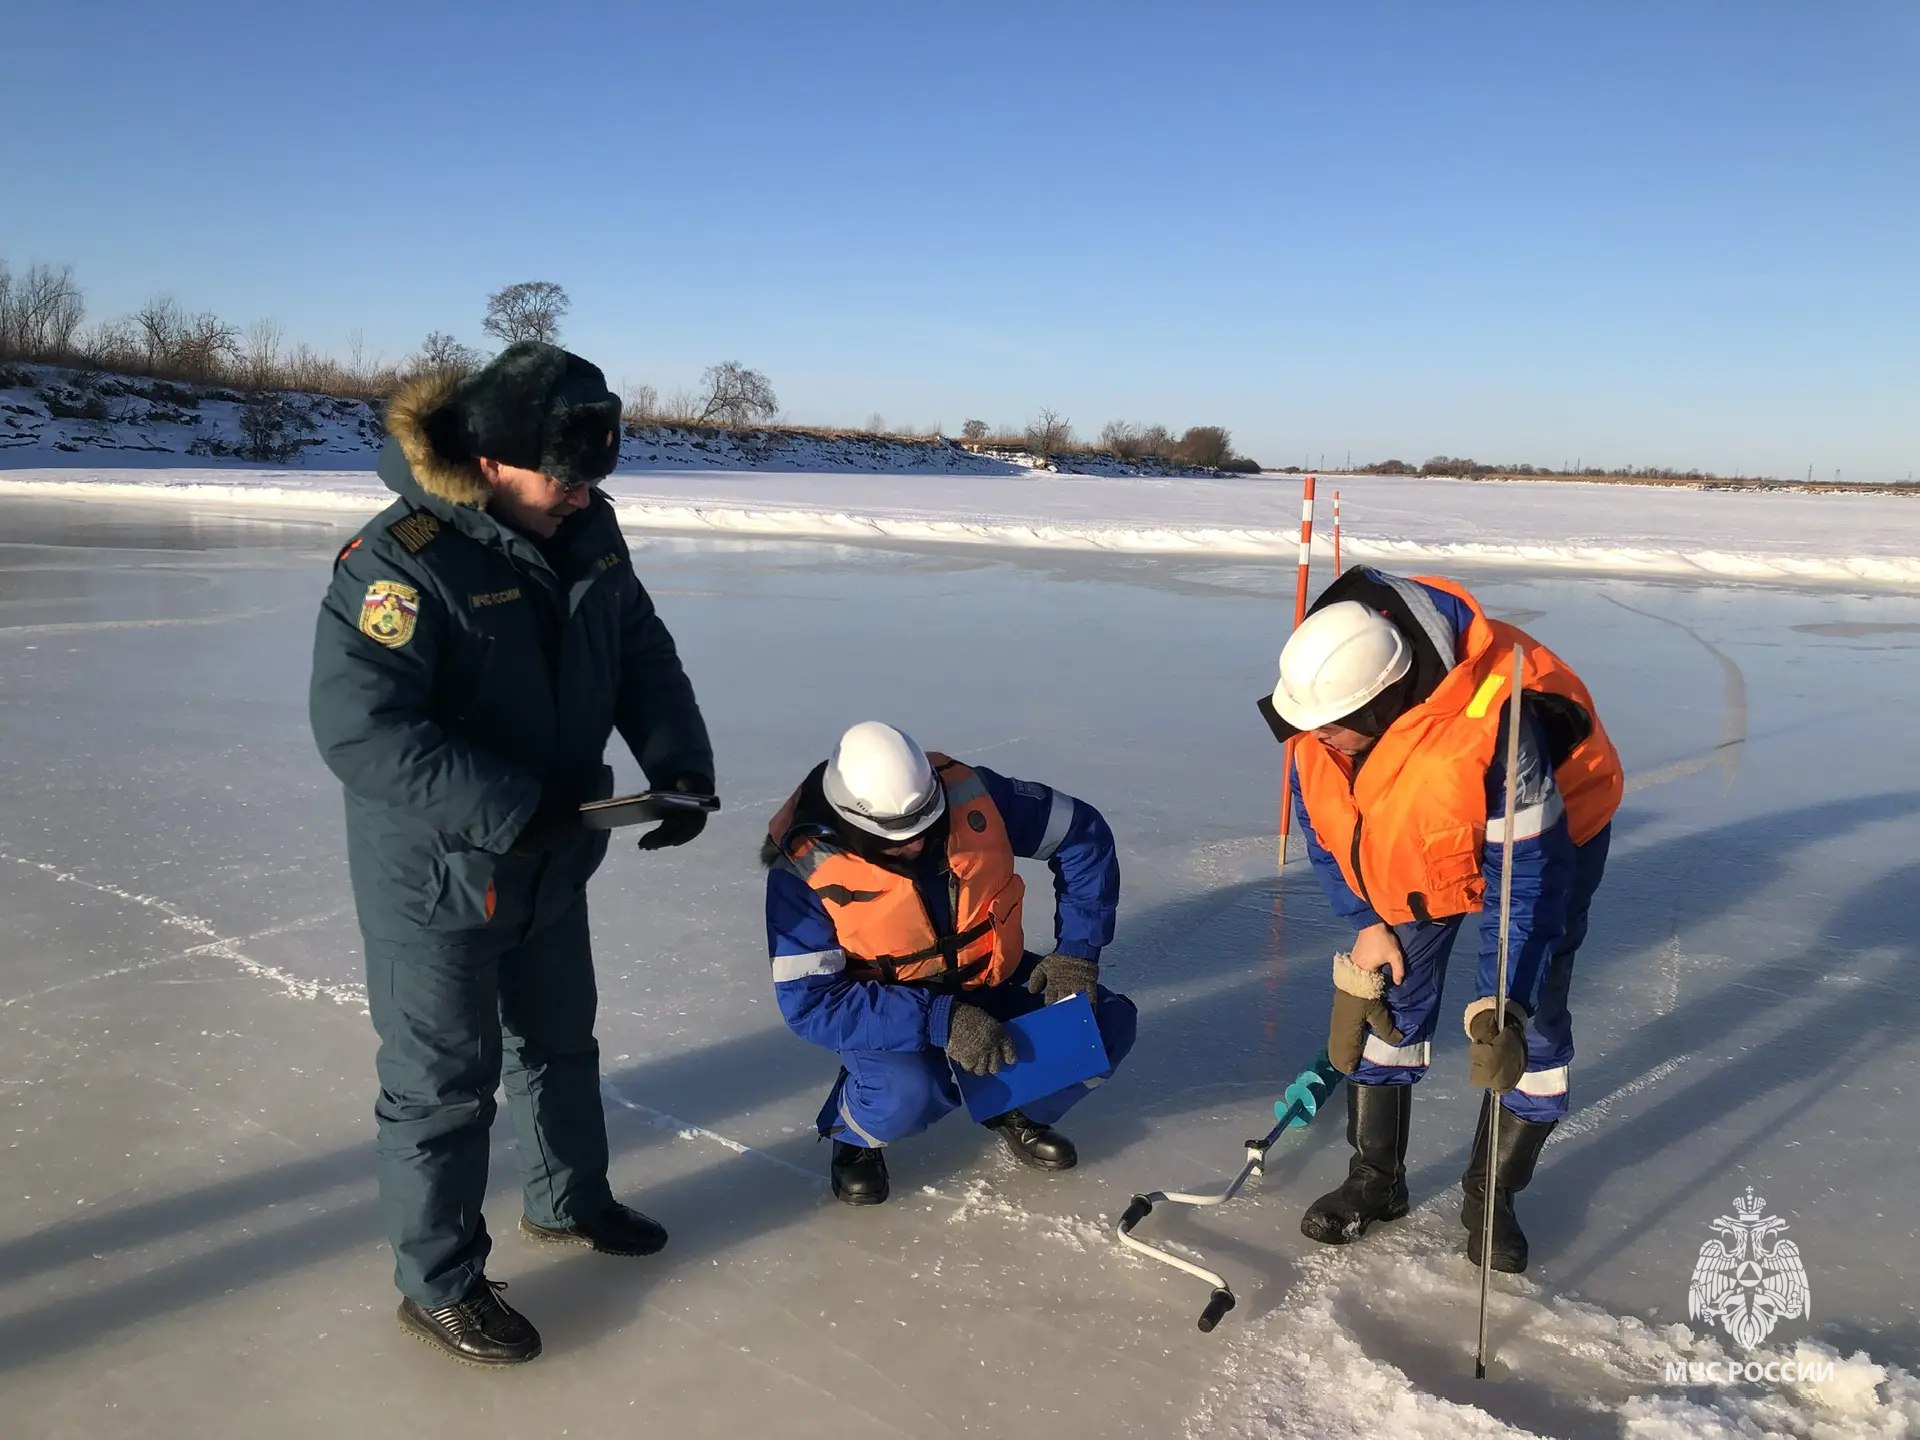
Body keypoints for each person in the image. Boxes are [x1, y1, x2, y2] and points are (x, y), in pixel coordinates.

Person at [309, 342, 714, 1365]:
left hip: (552, 858)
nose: (580, 498)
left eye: (594, 481)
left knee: (561, 1044)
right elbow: (362, 728)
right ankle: (438, 1283)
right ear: (489, 460)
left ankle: (568, 1203)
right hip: (440, 877)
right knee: (443, 1086)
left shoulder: (588, 530)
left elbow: (638, 652)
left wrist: (679, 764)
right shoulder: (401, 561)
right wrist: (505, 808)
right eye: (562, 478)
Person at [1259, 566, 1622, 1272]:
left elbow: (1530, 885)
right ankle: (1376, 1180)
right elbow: (1328, 828)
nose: (1317, 739)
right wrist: (1367, 920)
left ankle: (1493, 1195)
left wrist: (1503, 998)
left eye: (1332, 729)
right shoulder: (1319, 720)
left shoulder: (1503, 726)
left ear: (1382, 705)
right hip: (1420, 831)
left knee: (1529, 1025)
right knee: (1388, 998)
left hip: (1548, 834)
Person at [762, 722, 1137, 1204]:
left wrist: (1077, 954)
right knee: (908, 1090)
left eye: (923, 824)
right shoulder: (802, 873)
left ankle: (1017, 1106)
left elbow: (1082, 835)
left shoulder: (976, 798)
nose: (915, 844)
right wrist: (942, 1019)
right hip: (886, 1003)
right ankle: (856, 1136)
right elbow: (811, 1005)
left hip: (988, 974)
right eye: (894, 837)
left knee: (1103, 1028)